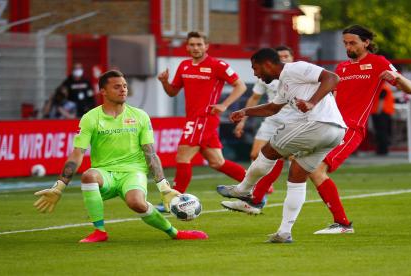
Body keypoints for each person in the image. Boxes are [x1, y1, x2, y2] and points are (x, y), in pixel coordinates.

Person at [218, 25, 411, 235]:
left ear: (366, 42)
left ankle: (342, 224)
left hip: (351, 128)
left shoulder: (378, 63)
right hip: (328, 123)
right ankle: (262, 206)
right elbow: (330, 98)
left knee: (314, 170)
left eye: (353, 43)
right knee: (295, 166)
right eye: (345, 43)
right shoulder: (342, 68)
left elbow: (410, 89)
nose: (348, 47)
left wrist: (398, 79)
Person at [33, 70, 208, 242]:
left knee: (137, 203)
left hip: (133, 173)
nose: (123, 89)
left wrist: (164, 187)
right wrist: (59, 187)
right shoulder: (90, 118)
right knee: (89, 176)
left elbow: (150, 153)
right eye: (117, 87)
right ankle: (99, 231)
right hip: (105, 173)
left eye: (124, 86)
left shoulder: (140, 116)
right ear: (103, 91)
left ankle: (174, 233)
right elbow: (77, 154)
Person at [218, 48, 346, 243]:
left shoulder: (296, 68)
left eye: (256, 68)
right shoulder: (284, 84)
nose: (255, 74)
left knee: (268, 150)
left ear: (268, 63)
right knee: (297, 174)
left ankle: (244, 190)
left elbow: (333, 78)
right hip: (335, 132)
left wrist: (311, 103)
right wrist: (245, 112)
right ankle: (284, 232)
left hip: (317, 124)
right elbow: (271, 108)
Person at [156, 31, 247, 210]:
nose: (196, 48)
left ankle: (174, 199)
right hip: (194, 118)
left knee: (182, 155)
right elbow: (173, 92)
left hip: (204, 117)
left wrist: (225, 104)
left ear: (206, 46)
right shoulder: (184, 66)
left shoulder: (217, 65)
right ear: (187, 46)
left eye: (199, 44)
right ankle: (260, 186)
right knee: (216, 162)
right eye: (192, 44)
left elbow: (241, 85)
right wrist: (164, 82)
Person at [224, 45, 295, 213]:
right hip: (271, 120)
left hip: (291, 121)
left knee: (291, 162)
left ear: (292, 58)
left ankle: (282, 193)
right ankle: (256, 195)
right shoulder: (265, 76)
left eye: (287, 55)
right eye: (281, 56)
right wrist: (242, 121)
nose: (284, 58)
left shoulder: (295, 75)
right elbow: (254, 98)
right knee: (256, 155)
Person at [371, 84, 395, 155]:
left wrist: (378, 111)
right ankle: (382, 149)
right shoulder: (385, 87)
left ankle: (382, 150)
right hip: (384, 112)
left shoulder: (382, 88)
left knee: (381, 132)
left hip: (380, 112)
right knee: (382, 131)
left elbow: (381, 100)